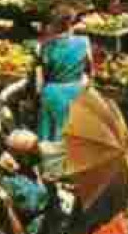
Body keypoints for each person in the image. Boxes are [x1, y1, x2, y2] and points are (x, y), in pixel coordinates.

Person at [36, 9, 93, 143]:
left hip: (52, 93)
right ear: (70, 24)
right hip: (75, 92)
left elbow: (41, 77)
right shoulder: (84, 42)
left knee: (49, 137)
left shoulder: (44, 46)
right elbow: (90, 71)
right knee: (73, 135)